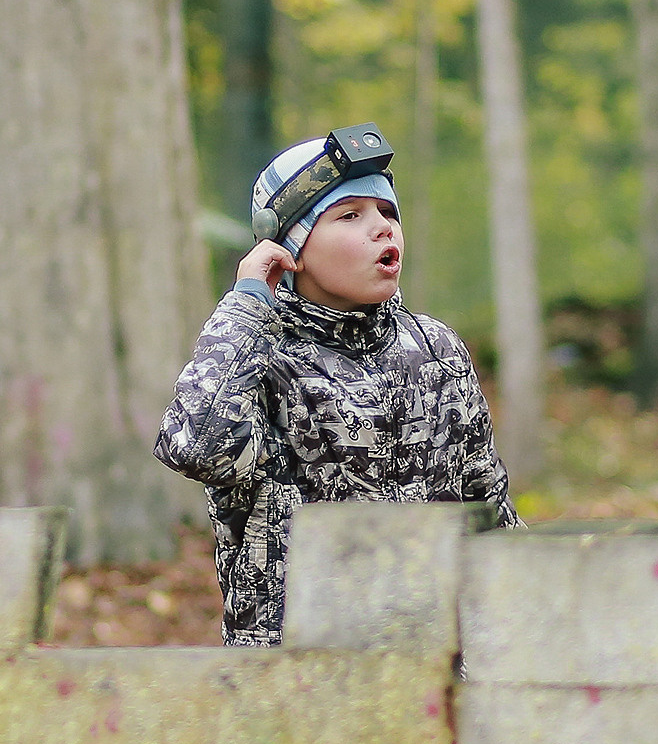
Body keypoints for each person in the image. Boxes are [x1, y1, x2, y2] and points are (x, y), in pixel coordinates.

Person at [155, 130, 521, 646]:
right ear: (289, 251)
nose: (381, 229)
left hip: (432, 664)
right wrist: (247, 302)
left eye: (387, 212)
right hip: (299, 675)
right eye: (349, 215)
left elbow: (489, 509)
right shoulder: (259, 352)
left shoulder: (435, 347)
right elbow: (198, 449)